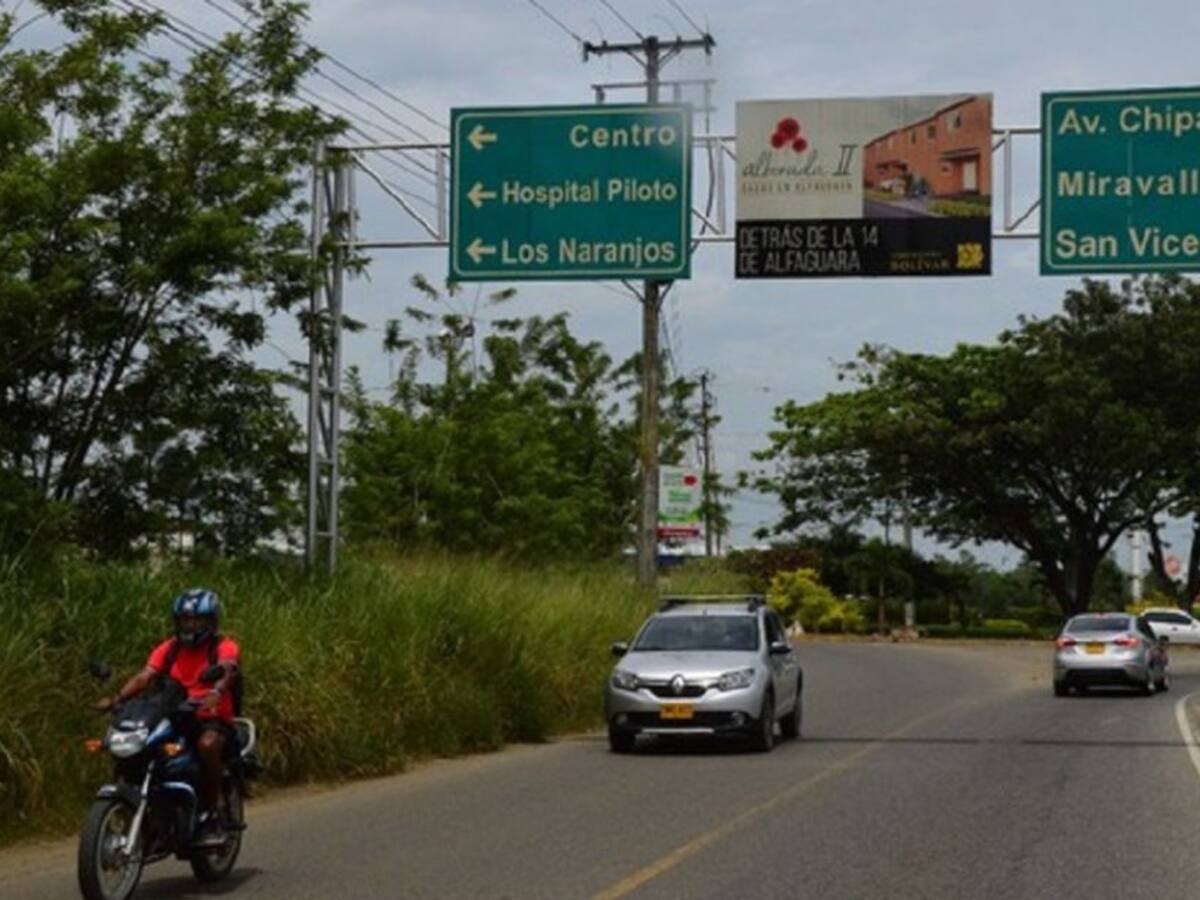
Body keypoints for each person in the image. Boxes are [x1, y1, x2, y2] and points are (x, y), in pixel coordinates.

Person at [96, 588, 240, 847]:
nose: (190, 626)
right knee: (144, 747)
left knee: (207, 746)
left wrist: (216, 691)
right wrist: (117, 698)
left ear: (211, 621)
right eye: (185, 620)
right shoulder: (169, 648)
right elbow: (145, 676)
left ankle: (212, 814)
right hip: (174, 713)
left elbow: (228, 670)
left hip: (210, 716)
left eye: (197, 620)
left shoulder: (224, 646)